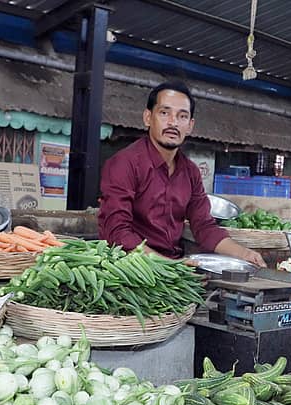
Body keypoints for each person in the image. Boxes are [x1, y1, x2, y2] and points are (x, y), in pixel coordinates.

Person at [98, 81, 265, 266]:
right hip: (131, 270)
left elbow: (204, 227)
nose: (173, 122)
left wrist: (245, 254)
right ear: (147, 117)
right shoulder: (125, 164)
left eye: (182, 116)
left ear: (190, 125)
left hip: (173, 270)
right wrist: (170, 266)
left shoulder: (190, 172)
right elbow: (117, 232)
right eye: (164, 113)